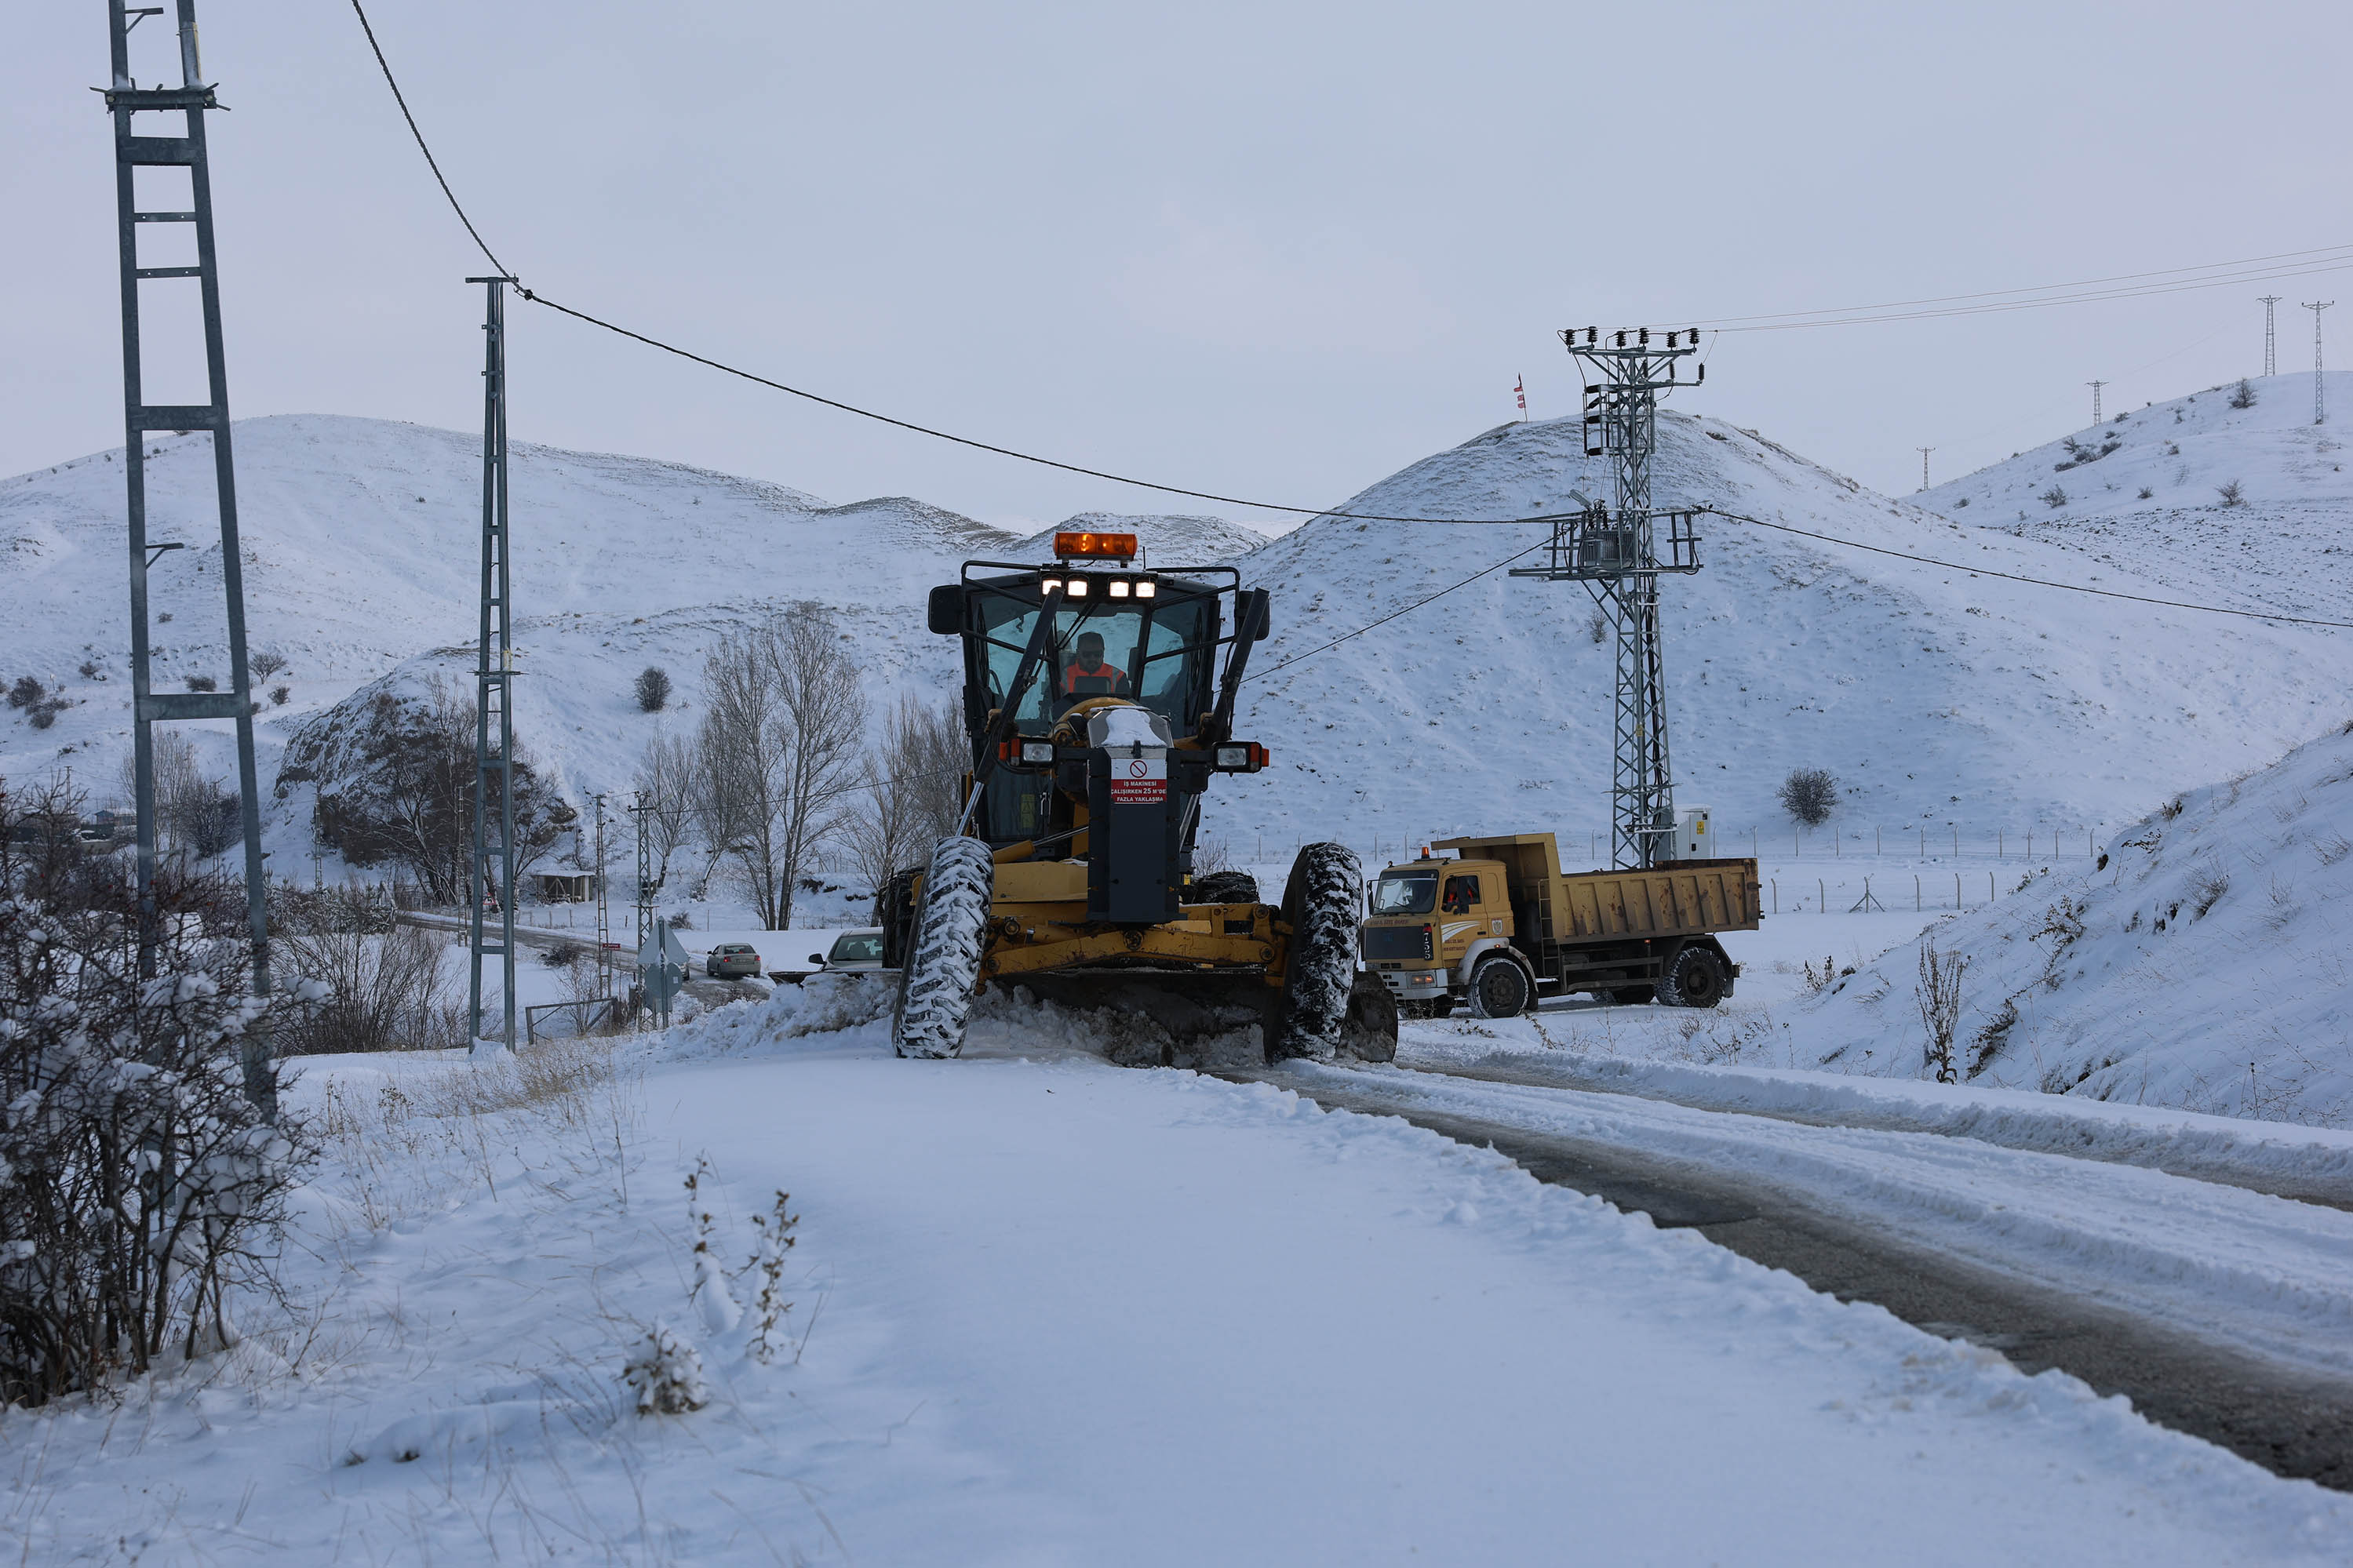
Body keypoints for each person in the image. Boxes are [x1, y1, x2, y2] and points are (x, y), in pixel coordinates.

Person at [1062, 631, 1125, 697]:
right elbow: (1052, 704)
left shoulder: (1118, 677)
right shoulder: (1063, 676)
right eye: (1087, 654)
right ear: (1078, 653)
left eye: (1097, 654)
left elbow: (1126, 705)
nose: (1092, 659)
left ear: (1103, 653)